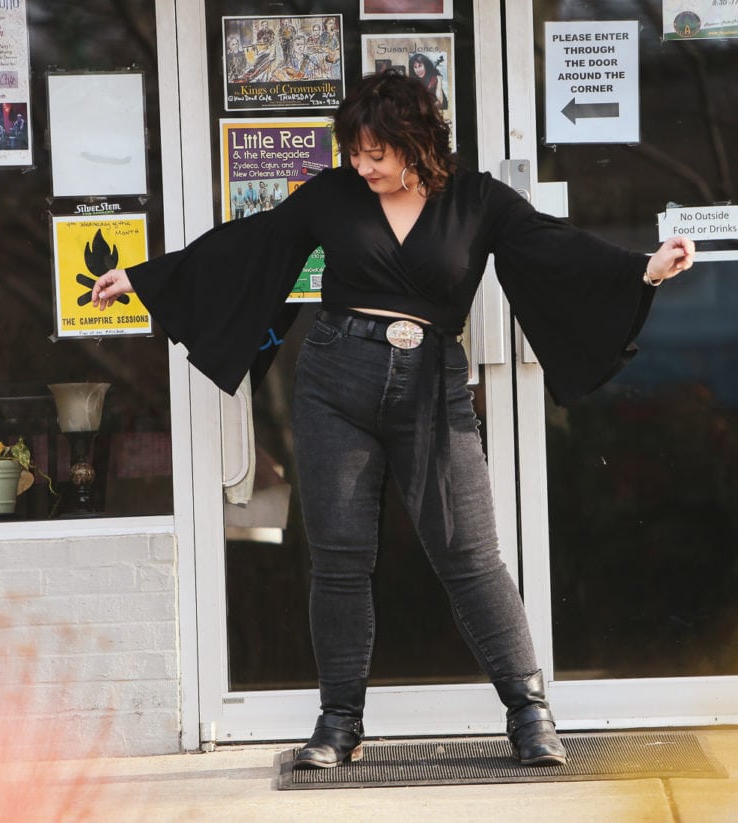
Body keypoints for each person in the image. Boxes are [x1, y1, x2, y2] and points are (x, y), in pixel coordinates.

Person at [91, 71, 694, 771]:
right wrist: (146, 276)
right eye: (354, 151)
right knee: (341, 557)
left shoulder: (478, 201)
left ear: (416, 141)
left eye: (376, 152)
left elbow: (554, 249)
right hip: (335, 382)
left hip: (433, 388)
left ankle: (530, 715)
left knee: (471, 554)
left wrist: (642, 271)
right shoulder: (334, 196)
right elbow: (253, 242)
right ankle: (338, 723)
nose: (362, 166)